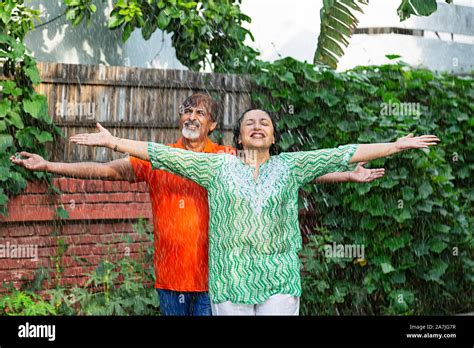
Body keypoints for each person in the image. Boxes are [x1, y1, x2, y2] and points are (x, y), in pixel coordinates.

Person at [13, 102, 386, 315]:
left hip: (216, 280)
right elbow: (105, 171)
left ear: (213, 125)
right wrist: (49, 166)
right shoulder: (161, 158)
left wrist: (344, 176)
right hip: (171, 280)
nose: (191, 116)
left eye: (200, 112)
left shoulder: (225, 158)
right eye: (186, 110)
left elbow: (281, 177)